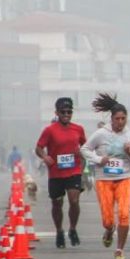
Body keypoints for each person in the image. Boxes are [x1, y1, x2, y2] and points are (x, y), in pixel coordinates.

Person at [81, 93, 130, 259]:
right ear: (112, 119)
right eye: (117, 119)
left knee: (124, 215)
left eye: (123, 118)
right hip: (104, 179)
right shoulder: (101, 134)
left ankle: (119, 250)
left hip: (124, 178)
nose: (120, 122)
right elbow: (84, 149)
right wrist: (98, 159)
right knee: (108, 220)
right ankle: (109, 230)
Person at [36, 97, 87, 248]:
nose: (66, 115)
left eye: (69, 112)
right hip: (56, 173)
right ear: (56, 113)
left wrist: (83, 157)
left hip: (74, 170)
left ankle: (73, 229)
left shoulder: (78, 129)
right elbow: (38, 148)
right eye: (63, 112)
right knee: (57, 203)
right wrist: (45, 157)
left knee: (74, 201)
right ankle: (59, 231)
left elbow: (86, 146)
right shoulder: (49, 130)